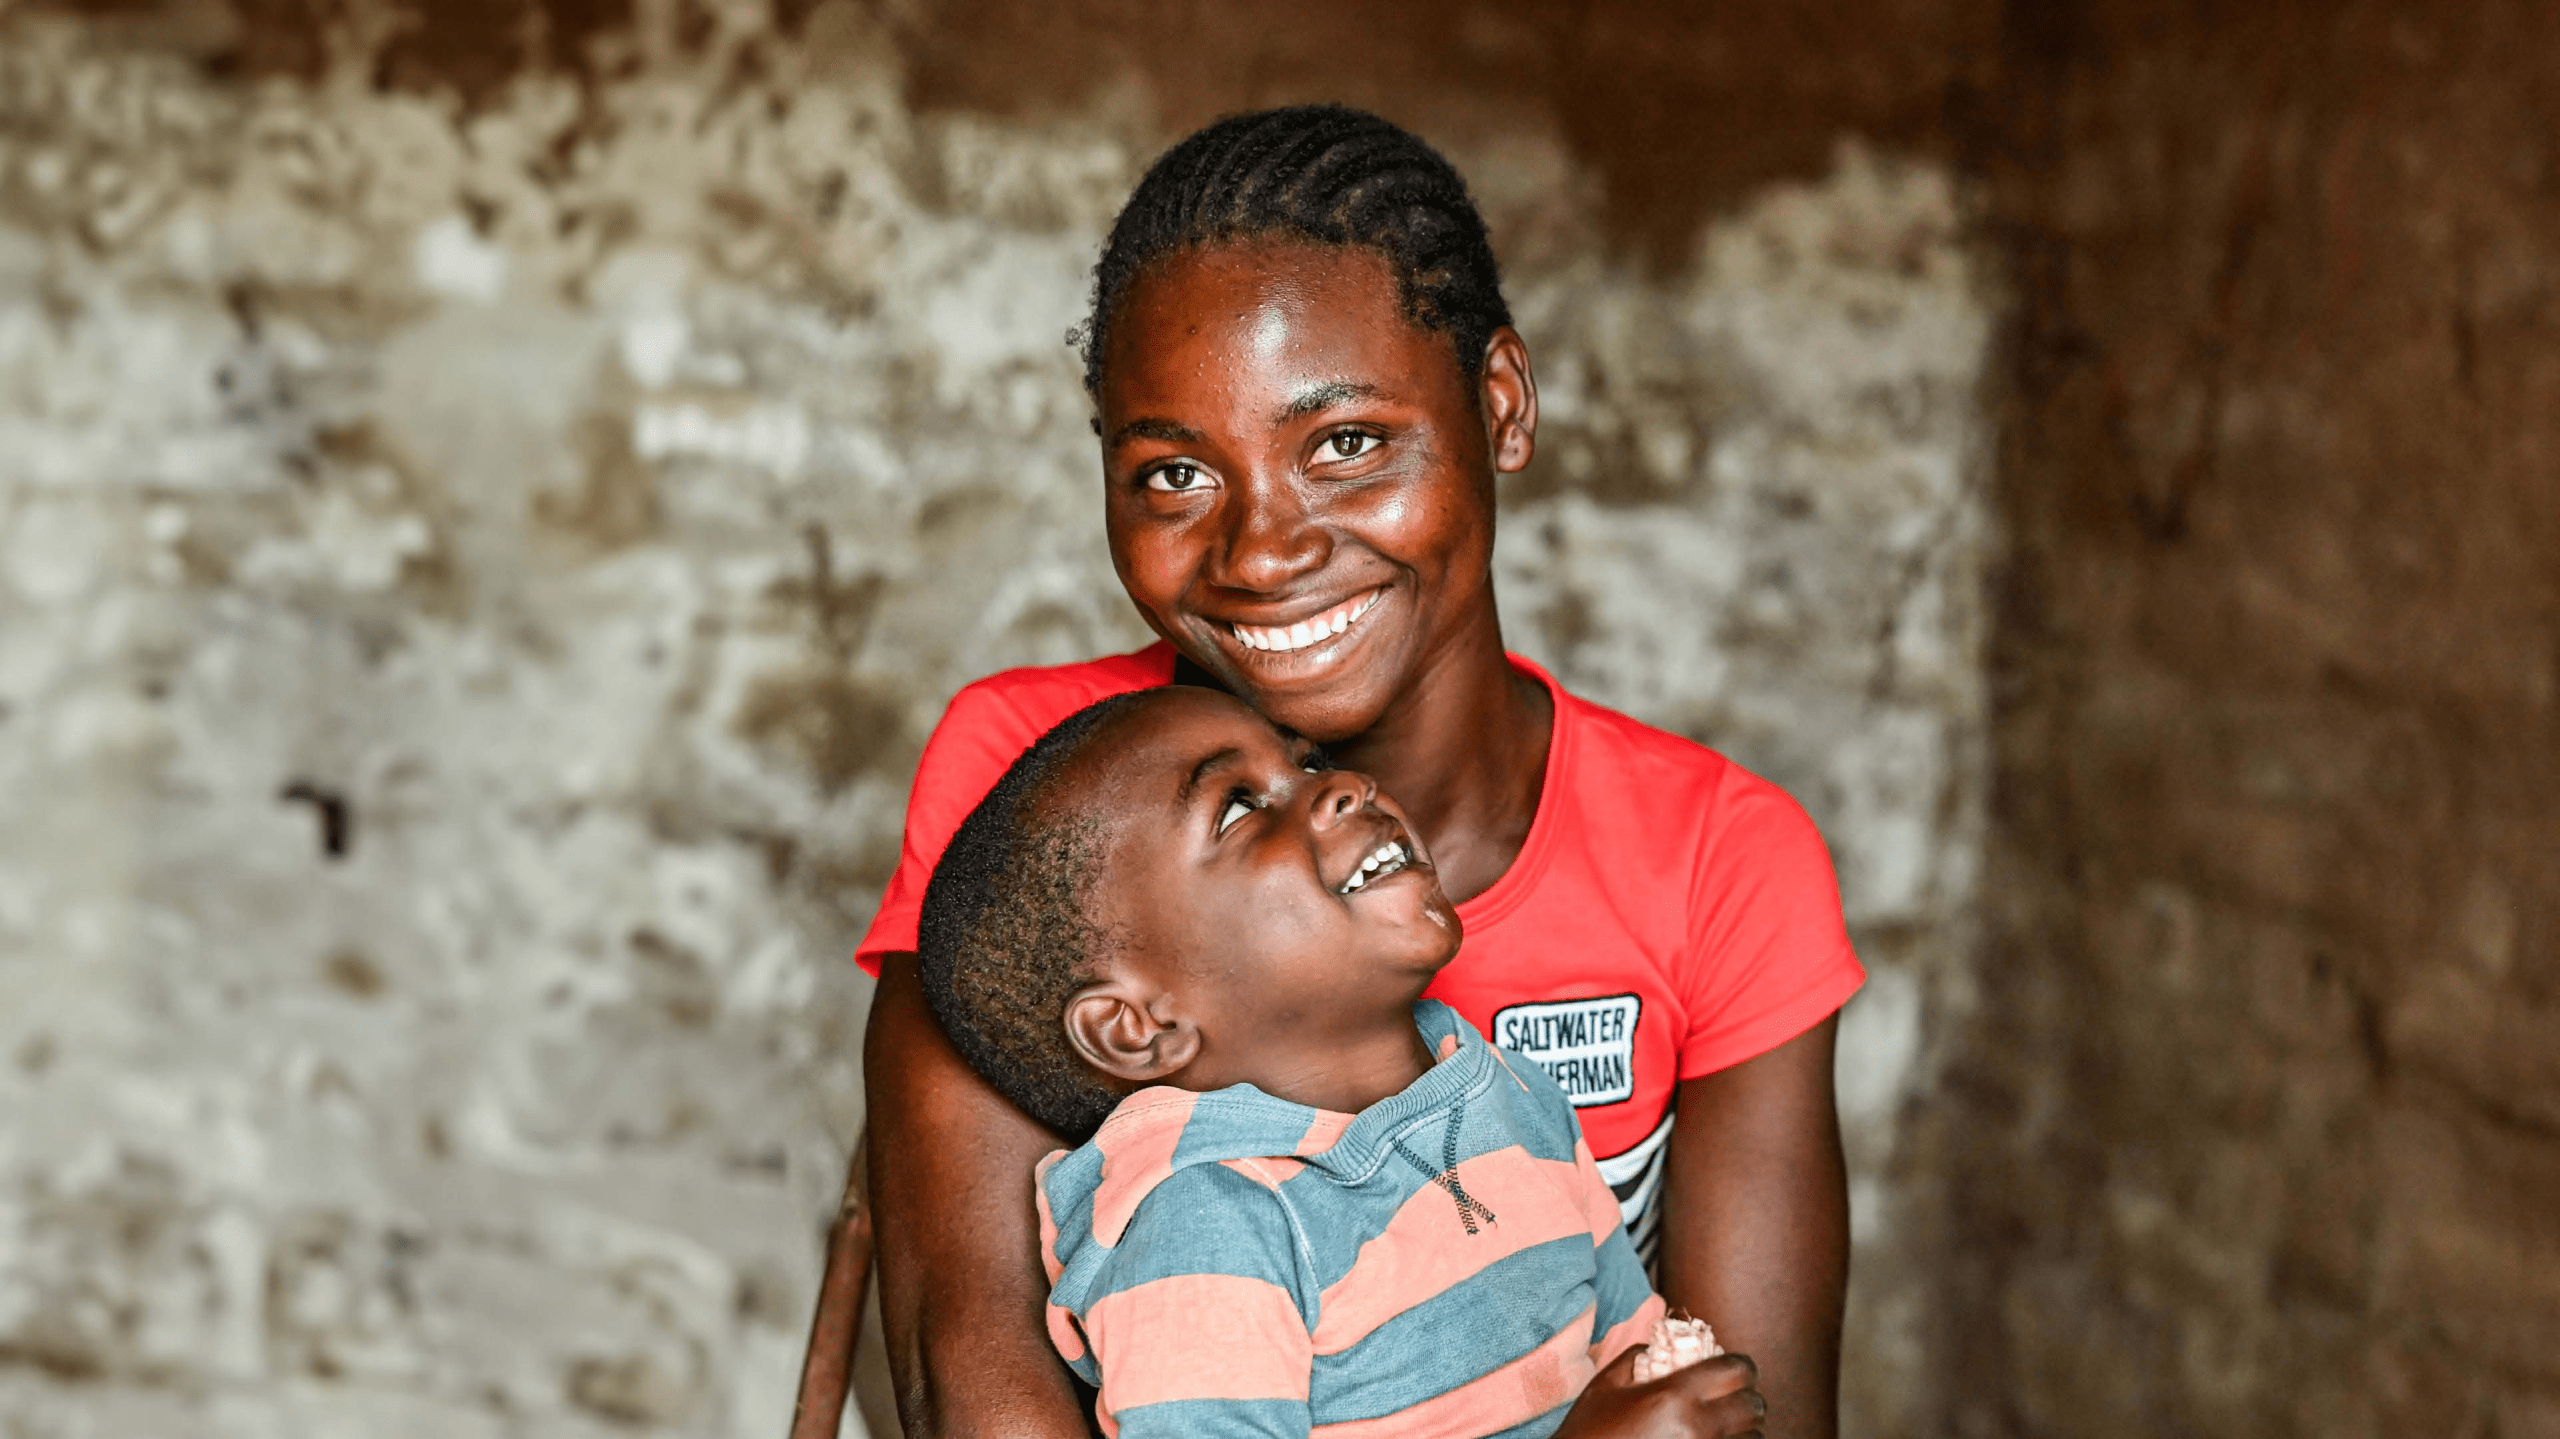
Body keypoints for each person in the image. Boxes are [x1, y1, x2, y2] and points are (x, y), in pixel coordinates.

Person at [811, 104, 1865, 1439]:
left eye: (1347, 443)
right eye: (1174, 472)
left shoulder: (1718, 861)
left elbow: (1738, 1403)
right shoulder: (1040, 786)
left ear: (1500, 403)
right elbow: (969, 1366)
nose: (1262, 551)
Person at [913, 685, 1763, 1436]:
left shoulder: (1511, 1092)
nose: (1343, 785)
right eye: (1239, 808)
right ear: (1137, 1026)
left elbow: (1633, 1350)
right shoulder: (1210, 1224)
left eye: (1309, 762)